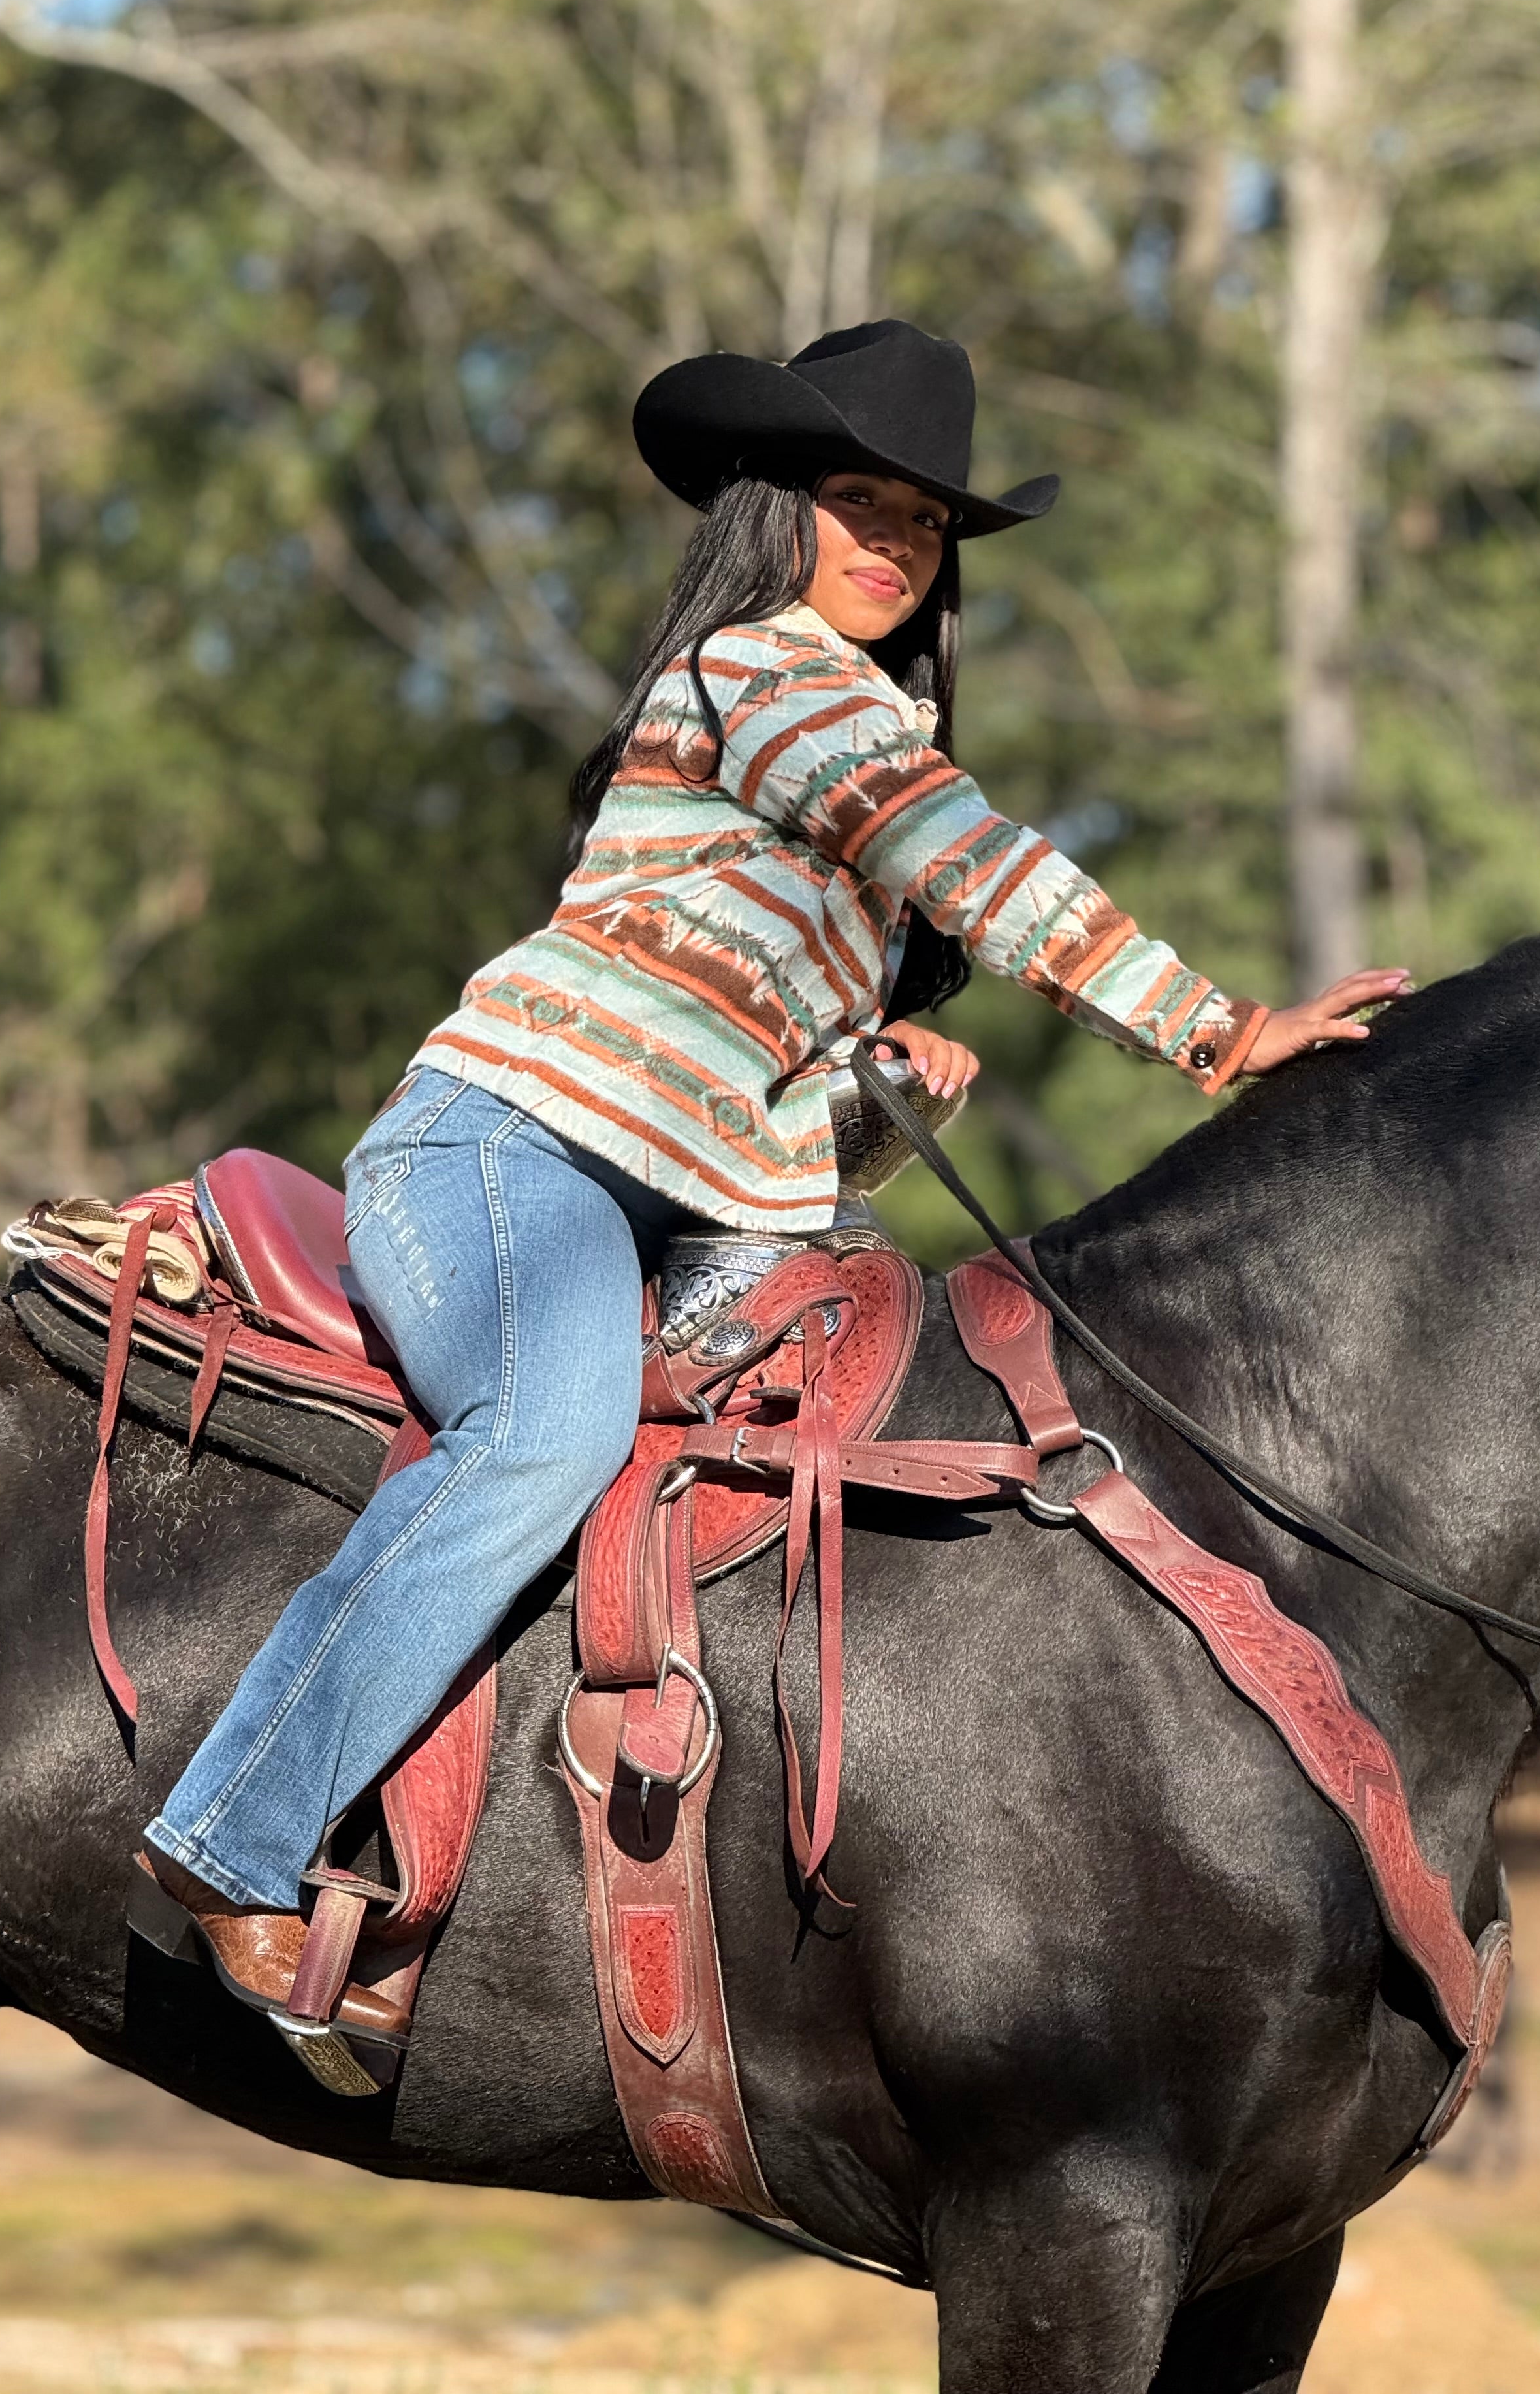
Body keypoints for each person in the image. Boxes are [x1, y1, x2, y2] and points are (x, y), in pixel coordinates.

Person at [136, 318, 1409, 2065]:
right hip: (512, 1148)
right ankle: (236, 1832)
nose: (895, 544)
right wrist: (1219, 1030)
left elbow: (755, 1129)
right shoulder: (764, 671)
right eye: (857, 500)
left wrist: (870, 1097)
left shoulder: (856, 785)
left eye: (928, 524)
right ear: (773, 518)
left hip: (683, 1211)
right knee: (544, 1433)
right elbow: (979, 858)